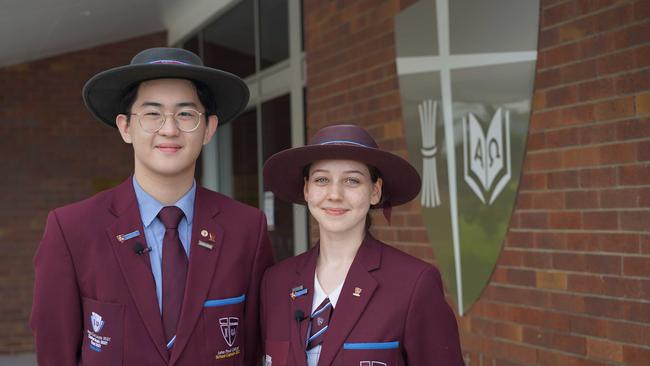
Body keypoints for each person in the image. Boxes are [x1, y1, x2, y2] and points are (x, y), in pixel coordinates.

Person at [30, 47, 274, 366]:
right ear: (126, 127)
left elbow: (254, 347)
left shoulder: (246, 228)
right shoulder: (72, 229)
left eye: (186, 114)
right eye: (152, 113)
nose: (169, 129)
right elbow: (55, 354)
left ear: (209, 129)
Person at [260, 124, 464, 365]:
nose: (335, 194)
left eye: (352, 181)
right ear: (306, 189)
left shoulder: (414, 283)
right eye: (322, 179)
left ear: (375, 191)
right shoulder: (275, 283)